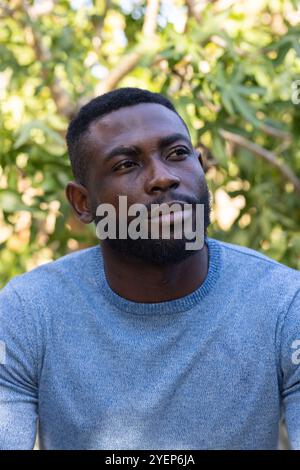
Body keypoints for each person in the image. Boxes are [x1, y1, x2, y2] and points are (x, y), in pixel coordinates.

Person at [0, 87, 299, 450]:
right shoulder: (29, 313)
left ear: (201, 169)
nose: (163, 178)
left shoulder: (283, 303)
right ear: (82, 203)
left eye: (177, 154)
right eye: (126, 164)